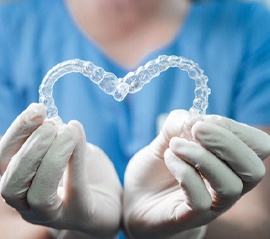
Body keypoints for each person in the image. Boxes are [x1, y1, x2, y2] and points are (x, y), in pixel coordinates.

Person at [0, 0, 270, 238]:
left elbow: (257, 219)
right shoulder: (10, 35)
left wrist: (189, 230)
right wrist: (64, 230)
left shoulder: (253, 29)